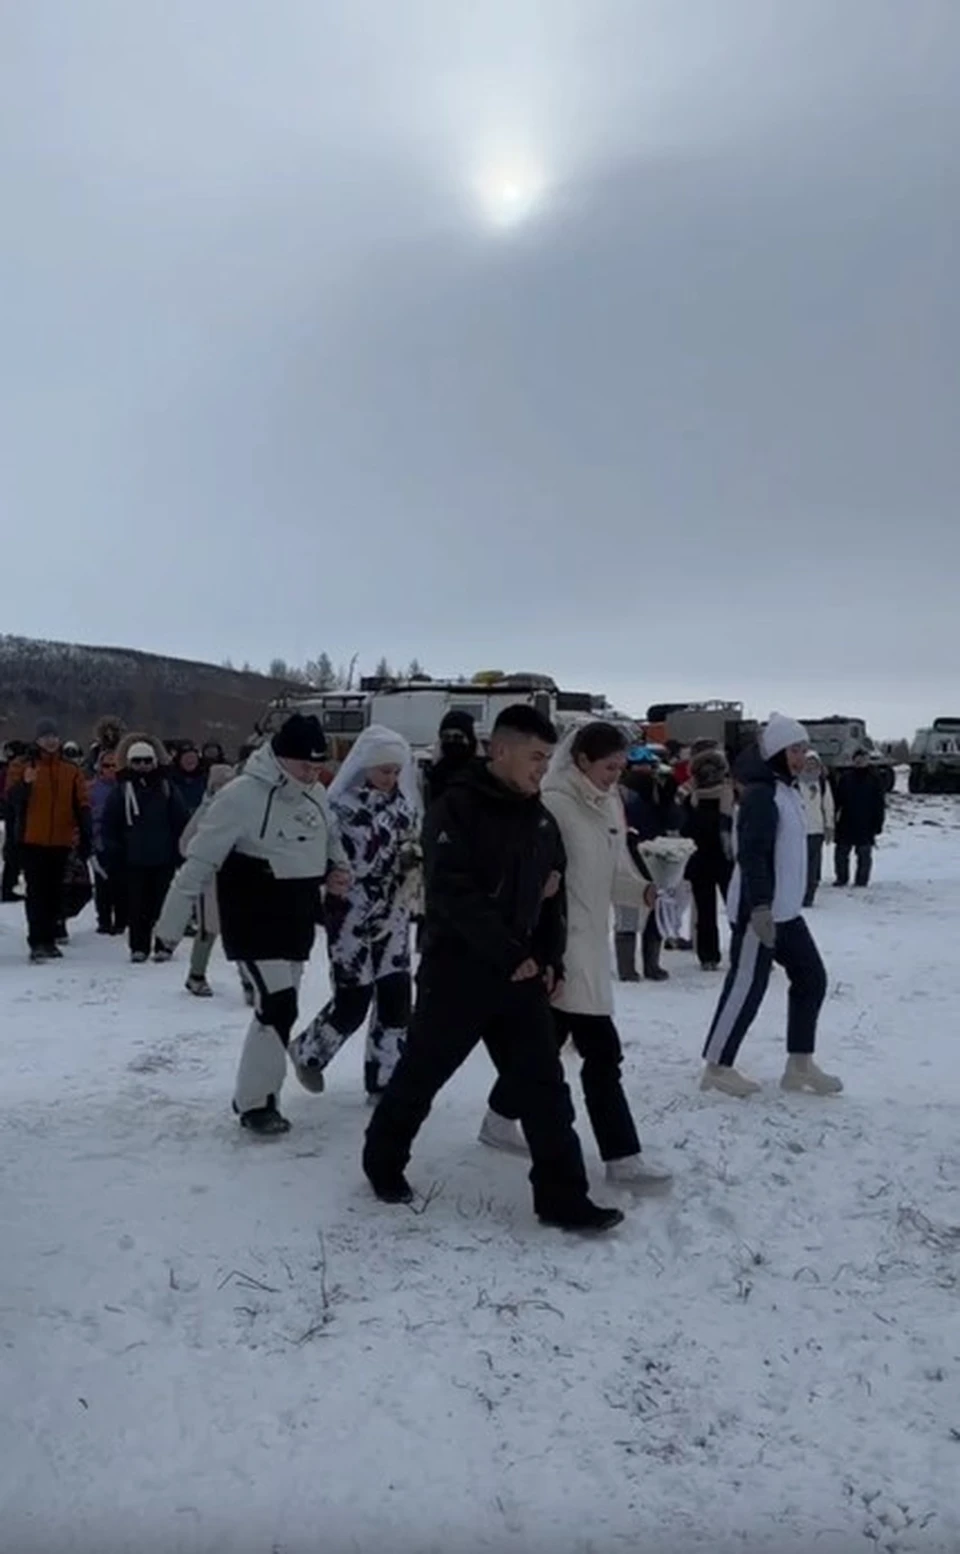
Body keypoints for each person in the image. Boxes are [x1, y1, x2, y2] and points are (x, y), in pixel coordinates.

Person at [362, 705, 624, 1234]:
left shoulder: (542, 818)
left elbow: (554, 898)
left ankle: (562, 1197)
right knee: (420, 1076)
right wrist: (511, 951)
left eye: (547, 759)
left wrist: (549, 959)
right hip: (458, 975)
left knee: (546, 1090)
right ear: (499, 750)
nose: (540, 768)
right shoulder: (455, 809)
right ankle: (383, 1162)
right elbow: (455, 897)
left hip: (522, 980)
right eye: (534, 757)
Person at [478, 722, 672, 1190]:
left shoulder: (608, 804)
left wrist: (641, 890)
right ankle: (622, 1156)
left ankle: (499, 1120)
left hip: (589, 946)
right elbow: (533, 879)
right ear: (582, 760)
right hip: (559, 950)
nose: (615, 776)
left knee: (545, 1048)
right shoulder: (554, 804)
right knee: (602, 1053)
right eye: (609, 767)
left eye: (621, 769)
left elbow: (605, 875)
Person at [154, 713, 350, 1136]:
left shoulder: (315, 794)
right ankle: (256, 1103)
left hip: (296, 916)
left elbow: (331, 842)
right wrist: (169, 929)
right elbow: (199, 862)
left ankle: (260, 1096)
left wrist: (338, 870)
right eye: (305, 765)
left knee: (279, 1008)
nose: (312, 774)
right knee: (278, 1003)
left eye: (318, 767)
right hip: (252, 913)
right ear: (280, 758)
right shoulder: (241, 796)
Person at [701, 714, 842, 1098]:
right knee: (747, 986)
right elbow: (753, 856)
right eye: (794, 749)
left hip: (786, 912)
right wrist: (760, 907)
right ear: (778, 751)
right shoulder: (763, 794)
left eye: (803, 749)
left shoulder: (787, 789)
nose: (800, 756)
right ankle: (717, 1066)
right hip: (757, 911)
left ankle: (799, 1065)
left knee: (812, 979)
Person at [289, 725, 421, 1100]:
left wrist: (412, 868)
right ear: (365, 767)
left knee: (396, 996)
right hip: (349, 911)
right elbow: (323, 857)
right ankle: (309, 1052)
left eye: (397, 771)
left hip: (394, 910)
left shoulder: (405, 807)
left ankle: (385, 1077)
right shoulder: (339, 808)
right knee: (355, 996)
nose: (391, 779)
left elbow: (412, 848)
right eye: (384, 771)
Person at [5, 719, 91, 962]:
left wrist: (85, 832)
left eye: (54, 736)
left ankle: (51, 938)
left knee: (55, 892)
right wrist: (26, 783)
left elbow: (82, 802)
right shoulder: (22, 765)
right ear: (37, 740)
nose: (50, 741)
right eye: (45, 737)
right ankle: (37, 940)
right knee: (36, 892)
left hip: (61, 840)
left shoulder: (70, 770)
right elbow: (10, 800)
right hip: (31, 839)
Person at [102, 736, 188, 963]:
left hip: (163, 856)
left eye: (147, 760)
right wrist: (115, 852)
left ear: (154, 761)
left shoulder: (167, 787)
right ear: (130, 763)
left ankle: (162, 944)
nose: (142, 766)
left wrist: (181, 851)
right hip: (133, 858)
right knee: (137, 904)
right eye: (137, 761)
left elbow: (180, 821)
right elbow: (110, 824)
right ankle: (138, 946)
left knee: (163, 904)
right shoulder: (121, 791)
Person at [178, 763, 241, 996]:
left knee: (242, 929)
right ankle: (196, 974)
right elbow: (186, 843)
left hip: (238, 877)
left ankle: (249, 979)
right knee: (208, 929)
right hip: (211, 879)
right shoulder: (205, 811)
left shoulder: (242, 810)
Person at [616, 748, 679, 980]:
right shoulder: (622, 792)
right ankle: (631, 966)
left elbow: (673, 819)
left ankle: (645, 965)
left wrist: (668, 796)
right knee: (631, 909)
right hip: (633, 853)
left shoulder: (657, 789)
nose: (645, 770)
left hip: (654, 852)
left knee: (651, 908)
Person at [680, 746, 735, 970]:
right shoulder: (688, 796)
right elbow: (680, 825)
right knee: (706, 911)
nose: (710, 775)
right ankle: (708, 955)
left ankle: (742, 950)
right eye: (705, 770)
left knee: (734, 908)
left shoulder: (730, 794)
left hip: (724, 859)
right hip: (703, 859)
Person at [834, 749, 885, 888]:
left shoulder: (875, 778)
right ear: (853, 760)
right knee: (841, 853)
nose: (860, 761)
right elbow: (837, 800)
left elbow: (879, 803)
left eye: (863, 758)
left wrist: (878, 823)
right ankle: (841, 878)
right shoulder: (845, 777)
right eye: (857, 759)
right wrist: (833, 819)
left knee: (864, 854)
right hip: (846, 821)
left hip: (866, 822)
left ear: (867, 760)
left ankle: (862, 880)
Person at [88, 750, 126, 934]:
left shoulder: (127, 787)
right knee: (103, 883)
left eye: (114, 765)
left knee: (122, 884)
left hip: (123, 843)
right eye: (106, 766)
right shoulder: (91, 789)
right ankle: (103, 919)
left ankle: (121, 919)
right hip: (100, 842)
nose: (111, 769)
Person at [798, 750, 835, 907]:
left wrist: (829, 826)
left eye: (814, 764)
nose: (810, 766)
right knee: (800, 864)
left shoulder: (822, 783)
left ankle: (809, 894)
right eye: (808, 763)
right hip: (798, 830)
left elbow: (828, 806)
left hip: (816, 830)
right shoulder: (795, 782)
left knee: (813, 864)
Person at [422, 710, 478, 807]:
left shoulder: (481, 772)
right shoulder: (437, 773)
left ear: (469, 740)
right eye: (446, 737)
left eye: (458, 737)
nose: (451, 741)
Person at [1, 739, 28, 901]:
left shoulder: (10, 767)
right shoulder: (16, 767)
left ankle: (8, 886)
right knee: (13, 849)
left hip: (11, 810)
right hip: (14, 811)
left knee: (12, 850)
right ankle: (8, 888)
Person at [170, 743, 209, 818]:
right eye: (186, 758)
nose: (190, 761)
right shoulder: (172, 780)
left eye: (193, 757)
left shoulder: (205, 779)